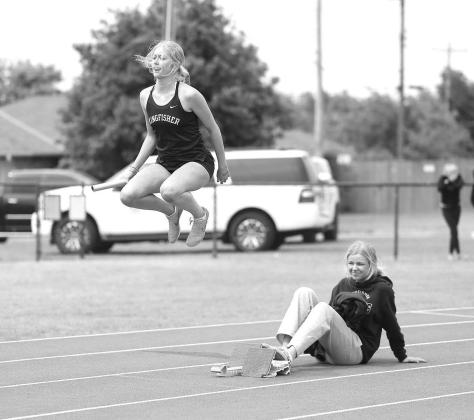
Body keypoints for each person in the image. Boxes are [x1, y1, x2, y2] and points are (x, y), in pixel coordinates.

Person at [120, 40, 230, 247]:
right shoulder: (145, 96)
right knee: (127, 196)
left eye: (162, 58)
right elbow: (151, 136)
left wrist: (223, 166)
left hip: (196, 162)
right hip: (166, 163)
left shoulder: (189, 95)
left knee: (168, 190)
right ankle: (171, 213)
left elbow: (213, 129)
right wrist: (133, 169)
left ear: (175, 64)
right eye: (154, 58)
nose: (155, 62)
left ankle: (199, 216)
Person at [262, 241, 426, 374]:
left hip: (356, 351)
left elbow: (391, 324)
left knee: (323, 309)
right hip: (330, 351)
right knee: (304, 292)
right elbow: (326, 322)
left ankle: (288, 355)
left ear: (371, 265)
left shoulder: (382, 290)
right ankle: (284, 352)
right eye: (351, 263)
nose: (354, 268)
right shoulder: (343, 284)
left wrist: (401, 355)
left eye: (360, 264)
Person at [437, 163, 464, 260]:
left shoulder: (458, 178)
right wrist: (448, 181)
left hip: (456, 208)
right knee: (454, 229)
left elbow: (459, 186)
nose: (453, 173)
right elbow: (440, 188)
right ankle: (454, 253)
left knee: (454, 231)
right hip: (446, 208)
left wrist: (449, 182)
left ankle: (454, 253)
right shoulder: (443, 178)